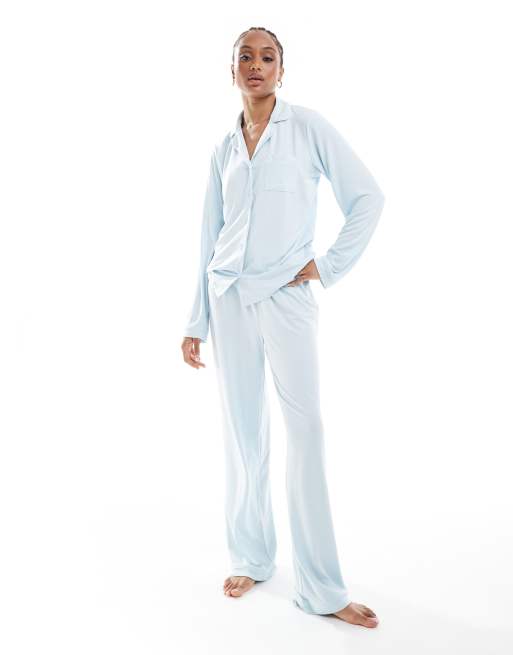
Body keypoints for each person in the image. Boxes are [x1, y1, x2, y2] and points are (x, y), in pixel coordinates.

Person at [181, 27, 384, 629]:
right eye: (245, 57)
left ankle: (322, 586)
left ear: (281, 70)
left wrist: (327, 264)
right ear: (232, 70)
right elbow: (209, 233)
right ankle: (252, 556)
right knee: (243, 434)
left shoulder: (308, 128)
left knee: (306, 433)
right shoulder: (223, 148)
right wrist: (196, 319)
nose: (256, 65)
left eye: (266, 57)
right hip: (228, 300)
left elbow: (368, 197)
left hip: (287, 297)